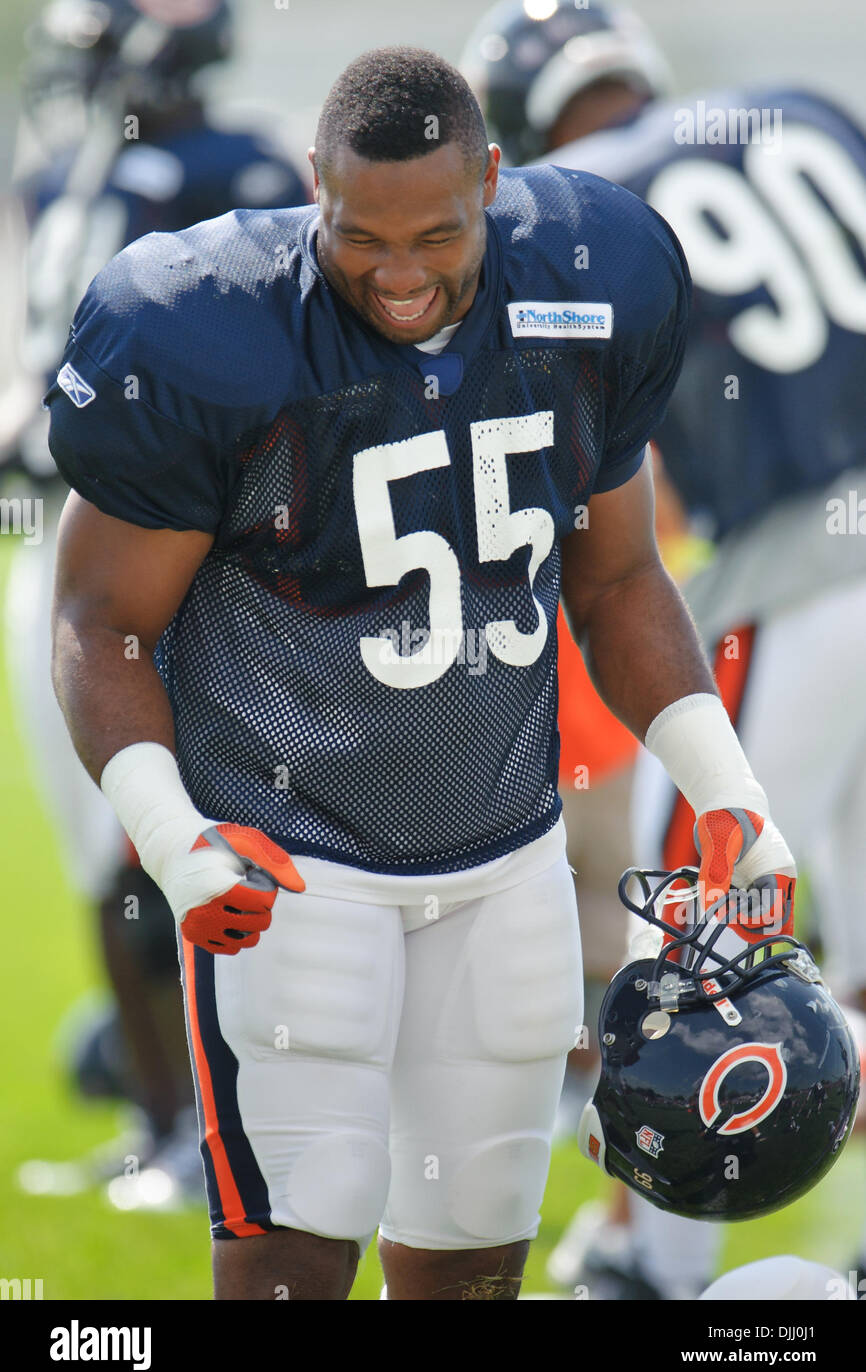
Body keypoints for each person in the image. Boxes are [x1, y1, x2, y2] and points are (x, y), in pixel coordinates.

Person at [47, 45, 796, 1301]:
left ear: (494, 182)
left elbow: (616, 581)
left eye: (435, 234)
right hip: (292, 858)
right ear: (312, 189)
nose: (397, 274)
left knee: (473, 1262)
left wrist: (722, 784)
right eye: (358, 236)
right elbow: (100, 617)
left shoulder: (586, 277)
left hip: (505, 856)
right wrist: (173, 838)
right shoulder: (206, 328)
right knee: (295, 1249)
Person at [464, 0, 866, 1297]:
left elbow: (607, 469)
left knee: (688, 913)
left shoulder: (574, 206)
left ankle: (658, 1260)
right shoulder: (799, 114)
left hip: (800, 575)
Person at [4, 0, 308, 1209]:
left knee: (175, 834)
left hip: (174, 546)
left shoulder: (234, 170)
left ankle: (222, 1125)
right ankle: (154, 1123)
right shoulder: (63, 173)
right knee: (98, 850)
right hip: (57, 538)